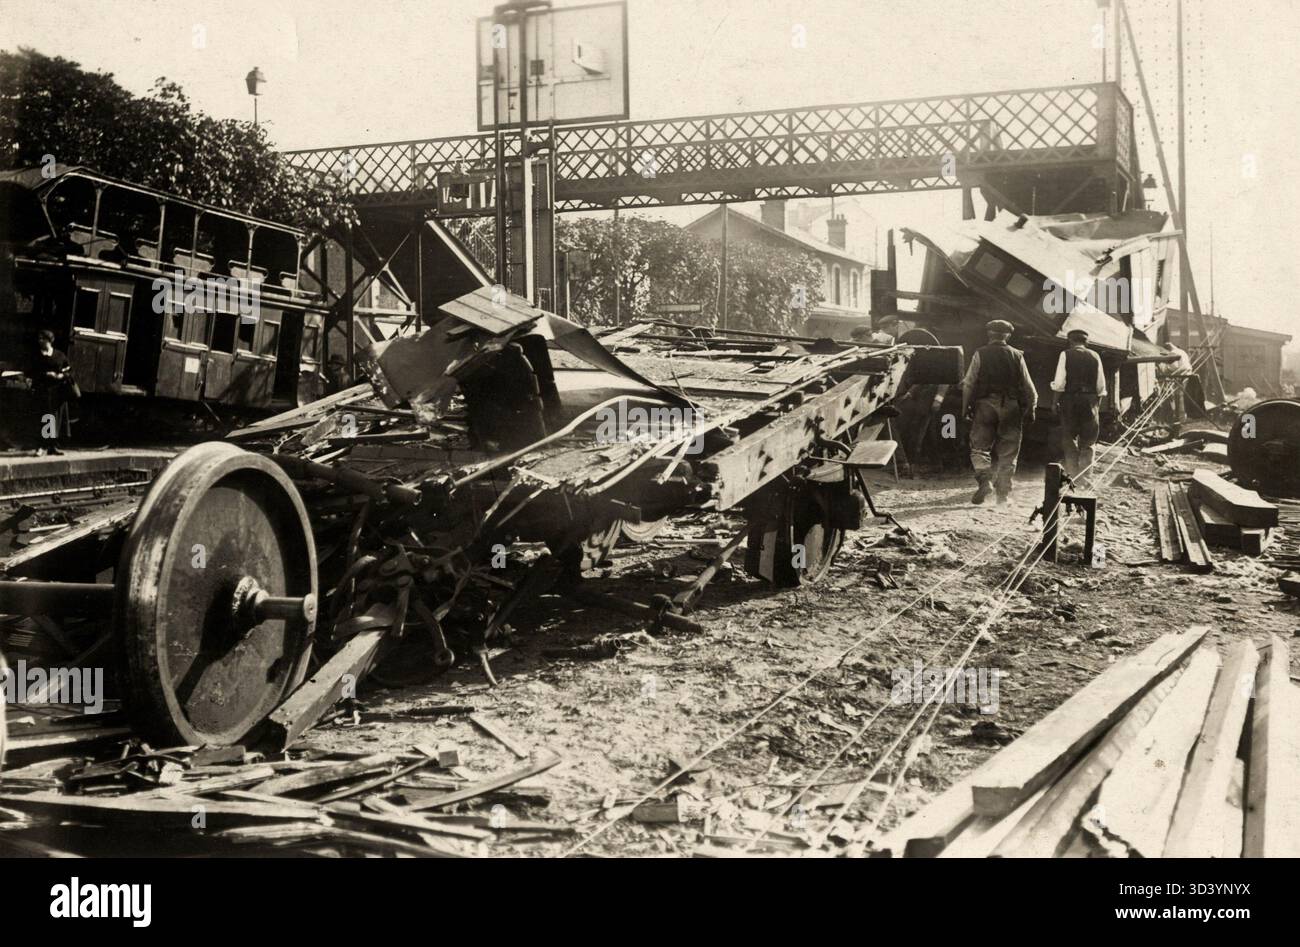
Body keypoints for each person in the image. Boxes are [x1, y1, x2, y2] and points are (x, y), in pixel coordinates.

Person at [961, 319, 1037, 505]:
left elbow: (968, 383)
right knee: (1009, 452)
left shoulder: (980, 353)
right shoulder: (1017, 355)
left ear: (989, 334)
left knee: (979, 448)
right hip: (1011, 407)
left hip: (985, 404)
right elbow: (1029, 386)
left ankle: (984, 481)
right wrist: (1032, 407)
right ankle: (1002, 495)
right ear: (1008, 336)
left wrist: (965, 408)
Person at [1049, 328, 1107, 480]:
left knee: (1069, 438)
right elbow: (1101, 386)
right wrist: (1096, 405)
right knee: (1088, 441)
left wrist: (1054, 403)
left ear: (1070, 341)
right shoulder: (1095, 356)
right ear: (1086, 342)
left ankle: (1072, 475)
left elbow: (1060, 382)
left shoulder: (1065, 354)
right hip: (1090, 401)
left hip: (1070, 400)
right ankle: (1085, 478)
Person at [30, 330, 75, 455]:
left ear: (49, 340)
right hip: (43, 391)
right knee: (45, 418)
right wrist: (45, 374)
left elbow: (69, 369)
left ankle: (51, 446)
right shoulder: (37, 356)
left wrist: (60, 376)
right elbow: (32, 372)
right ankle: (42, 446)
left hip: (57, 392)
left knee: (55, 419)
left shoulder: (59, 355)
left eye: (42, 338)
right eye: (39, 338)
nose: (39, 341)